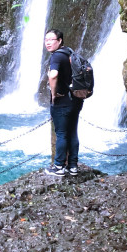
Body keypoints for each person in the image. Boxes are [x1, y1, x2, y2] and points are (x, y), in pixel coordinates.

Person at [44, 28, 83, 177]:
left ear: (59, 41)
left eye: (51, 40)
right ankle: (73, 166)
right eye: (46, 40)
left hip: (62, 102)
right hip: (75, 100)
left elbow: (53, 75)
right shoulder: (69, 53)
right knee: (72, 132)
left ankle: (59, 166)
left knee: (61, 133)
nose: (48, 43)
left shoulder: (56, 57)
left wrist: (54, 94)